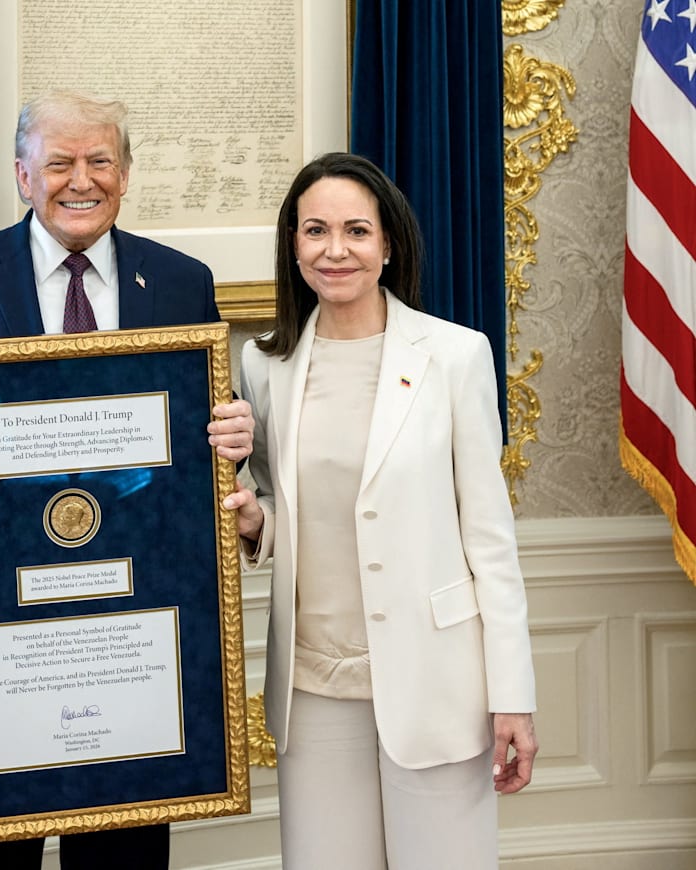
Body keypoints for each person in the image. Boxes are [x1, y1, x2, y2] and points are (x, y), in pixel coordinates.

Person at [0, 91, 254, 870]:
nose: (83, 180)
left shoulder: (180, 281)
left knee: (124, 855)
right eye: (61, 163)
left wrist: (233, 438)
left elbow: (196, 437)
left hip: (134, 625)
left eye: (101, 161)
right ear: (22, 175)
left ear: (126, 173)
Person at [224, 152, 537, 869]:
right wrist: (253, 522)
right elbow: (276, 499)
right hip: (313, 687)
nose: (335, 250)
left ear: (388, 245)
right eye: (315, 231)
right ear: (293, 245)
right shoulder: (264, 366)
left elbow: (490, 539)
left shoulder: (455, 357)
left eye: (357, 231)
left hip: (437, 683)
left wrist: (512, 696)